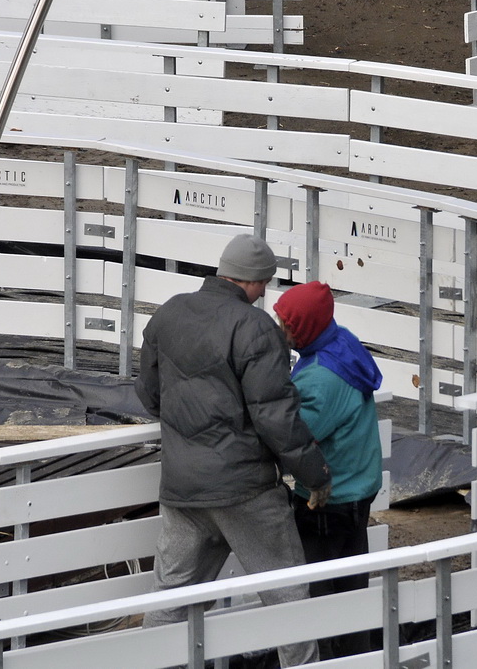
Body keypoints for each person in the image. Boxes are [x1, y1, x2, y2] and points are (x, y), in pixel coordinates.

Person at [135, 234, 331, 667]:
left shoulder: (169, 313)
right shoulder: (254, 327)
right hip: (245, 491)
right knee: (289, 595)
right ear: (254, 281)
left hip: (182, 489)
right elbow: (276, 417)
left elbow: (149, 395)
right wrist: (315, 475)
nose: (264, 293)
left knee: (172, 599)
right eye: (265, 284)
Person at [272, 281, 384, 659]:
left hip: (328, 500)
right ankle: (359, 659)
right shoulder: (341, 344)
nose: (281, 331)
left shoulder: (320, 377)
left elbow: (295, 435)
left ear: (305, 326)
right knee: (351, 590)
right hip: (358, 490)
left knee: (318, 600)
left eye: (287, 324)